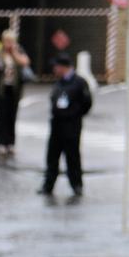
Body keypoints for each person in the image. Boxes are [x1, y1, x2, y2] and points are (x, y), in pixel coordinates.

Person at [40, 52, 92, 197]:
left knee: (72, 157)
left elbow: (87, 103)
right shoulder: (59, 82)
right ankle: (48, 186)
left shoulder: (79, 82)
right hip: (57, 125)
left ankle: (76, 185)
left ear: (63, 67)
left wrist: (74, 115)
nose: (54, 70)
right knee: (52, 156)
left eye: (56, 67)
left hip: (71, 126)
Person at [0, 29, 30, 155]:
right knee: (2, 115)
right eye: (6, 41)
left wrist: (14, 52)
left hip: (15, 89)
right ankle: (0, 142)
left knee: (12, 115)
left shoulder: (19, 51)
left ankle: (10, 143)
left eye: (11, 41)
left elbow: (25, 62)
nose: (8, 43)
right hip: (2, 88)